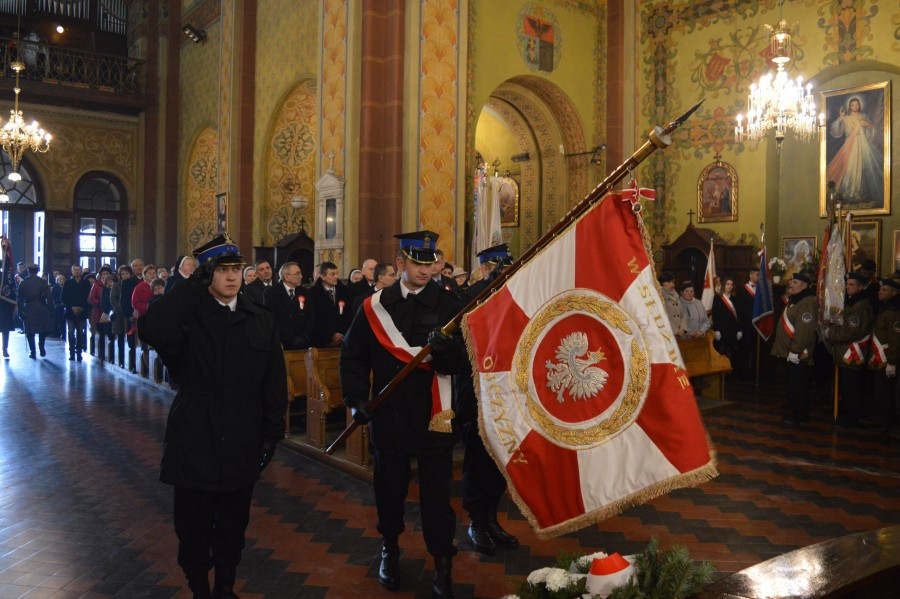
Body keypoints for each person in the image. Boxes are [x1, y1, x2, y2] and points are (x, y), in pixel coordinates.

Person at [138, 234, 286, 598]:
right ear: (207, 275)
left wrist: (272, 434)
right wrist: (191, 286)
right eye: (221, 270)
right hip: (196, 434)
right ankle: (199, 587)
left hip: (242, 434)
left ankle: (224, 585)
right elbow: (151, 329)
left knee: (234, 522)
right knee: (193, 523)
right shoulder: (187, 317)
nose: (231, 277)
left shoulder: (260, 318)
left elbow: (274, 380)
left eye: (236, 269)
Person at [340, 230, 467, 598]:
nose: (425, 270)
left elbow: (463, 362)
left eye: (430, 264)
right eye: (416, 263)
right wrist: (355, 399)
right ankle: (390, 549)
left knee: (437, 496)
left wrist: (446, 350)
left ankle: (442, 562)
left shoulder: (450, 305)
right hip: (391, 413)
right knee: (390, 490)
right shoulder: (374, 306)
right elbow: (353, 356)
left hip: (436, 414)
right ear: (400, 263)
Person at [457, 246, 518, 557]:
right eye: (500, 268)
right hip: (478, 393)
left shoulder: (513, 294)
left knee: (499, 460)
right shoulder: (471, 297)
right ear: (485, 269)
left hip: (508, 391)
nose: (506, 273)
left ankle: (491, 517)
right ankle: (476, 521)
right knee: (478, 460)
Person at [826, 272, 874, 428]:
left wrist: (830, 333)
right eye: (847, 284)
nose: (847, 287)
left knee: (852, 387)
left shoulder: (861, 305)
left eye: (852, 284)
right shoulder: (852, 301)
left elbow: (851, 331)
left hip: (852, 353)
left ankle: (852, 417)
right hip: (843, 351)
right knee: (846, 386)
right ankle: (846, 412)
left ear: (860, 287)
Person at [771, 272, 818, 427]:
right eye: (791, 281)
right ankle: (795, 413)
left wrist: (795, 350)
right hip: (789, 353)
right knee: (792, 385)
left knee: (799, 386)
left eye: (795, 282)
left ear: (804, 286)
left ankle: (799, 416)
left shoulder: (807, 302)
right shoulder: (796, 300)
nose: (790, 284)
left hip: (798, 354)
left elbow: (804, 331)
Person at [826, 96, 883, 203]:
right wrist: (840, 118)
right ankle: (848, 190)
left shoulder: (863, 116)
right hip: (849, 145)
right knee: (849, 167)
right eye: (853, 104)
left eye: (857, 104)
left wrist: (867, 124)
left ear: (859, 105)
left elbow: (872, 129)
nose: (855, 106)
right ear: (849, 106)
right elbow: (835, 131)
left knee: (859, 168)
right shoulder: (846, 118)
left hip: (860, 145)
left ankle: (856, 191)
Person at [869, 278, 900, 432]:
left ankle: (887, 422)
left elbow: (895, 338)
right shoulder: (885, 308)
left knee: (886, 392)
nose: (880, 292)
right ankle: (883, 419)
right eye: (880, 289)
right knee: (880, 391)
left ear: (895, 292)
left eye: (885, 290)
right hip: (880, 357)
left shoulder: (894, 312)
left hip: (887, 358)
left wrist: (892, 362)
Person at [265, 262, 315, 350]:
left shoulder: (305, 292)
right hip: (282, 342)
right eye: (297, 274)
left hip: (303, 342)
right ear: (287, 277)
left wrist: (304, 336)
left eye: (300, 273)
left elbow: (311, 317)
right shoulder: (271, 293)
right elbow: (272, 319)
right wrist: (290, 338)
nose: (301, 276)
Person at [309, 261, 351, 347]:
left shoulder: (344, 291)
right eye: (332, 274)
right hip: (321, 340)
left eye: (337, 273)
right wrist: (331, 335)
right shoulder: (312, 294)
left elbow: (349, 314)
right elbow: (314, 318)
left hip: (343, 339)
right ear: (323, 276)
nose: (336, 277)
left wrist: (341, 334)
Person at [16, 264, 51, 359]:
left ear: (28, 270)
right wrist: (50, 310)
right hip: (42, 308)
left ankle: (33, 352)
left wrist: (20, 312)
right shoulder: (43, 282)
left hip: (29, 308)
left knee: (30, 331)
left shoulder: (24, 283)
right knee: (42, 330)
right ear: (38, 271)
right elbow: (49, 297)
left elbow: (20, 299)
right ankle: (41, 347)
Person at [62, 265, 92, 361]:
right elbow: (63, 297)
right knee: (71, 332)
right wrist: (72, 307)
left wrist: (82, 307)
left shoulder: (86, 283)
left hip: (82, 310)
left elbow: (88, 296)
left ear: (81, 271)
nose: (77, 271)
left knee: (80, 332)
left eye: (78, 270)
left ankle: (79, 352)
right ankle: (71, 352)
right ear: (72, 271)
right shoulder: (68, 283)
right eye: (75, 270)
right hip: (70, 310)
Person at [735, 267, 760, 379]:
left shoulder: (761, 290)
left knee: (756, 349)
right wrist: (740, 327)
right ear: (751, 275)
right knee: (745, 349)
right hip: (745, 325)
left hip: (758, 326)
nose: (759, 277)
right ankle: (743, 373)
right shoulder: (742, 290)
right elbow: (739, 310)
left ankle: (755, 372)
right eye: (757, 275)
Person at [712, 276, 741, 359]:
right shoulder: (717, 298)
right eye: (727, 284)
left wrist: (739, 330)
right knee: (722, 356)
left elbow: (739, 315)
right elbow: (715, 315)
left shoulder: (735, 298)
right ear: (723, 285)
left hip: (733, 331)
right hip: (722, 331)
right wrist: (716, 330)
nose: (729, 286)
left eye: (731, 284)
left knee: (733, 356)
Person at [0, 237, 15, 358]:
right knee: (5, 330)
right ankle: (4, 349)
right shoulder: (4, 276)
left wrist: (5, 248)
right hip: (4, 306)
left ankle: (5, 349)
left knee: (5, 329)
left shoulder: (5, 277)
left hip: (3, 305)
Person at [658, 271, 686, 337]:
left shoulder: (676, 295)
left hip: (680, 333)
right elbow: (663, 316)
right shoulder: (659, 297)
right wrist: (676, 331)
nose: (672, 285)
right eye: (669, 282)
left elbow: (684, 314)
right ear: (662, 283)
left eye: (673, 282)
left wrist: (683, 329)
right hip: (668, 333)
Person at [51, 274, 66, 340]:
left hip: (64, 306)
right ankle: (60, 334)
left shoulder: (66, 286)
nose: (61, 281)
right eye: (59, 280)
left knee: (63, 321)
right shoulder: (55, 288)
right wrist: (57, 304)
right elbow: (53, 298)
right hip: (58, 307)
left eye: (62, 279)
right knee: (59, 321)